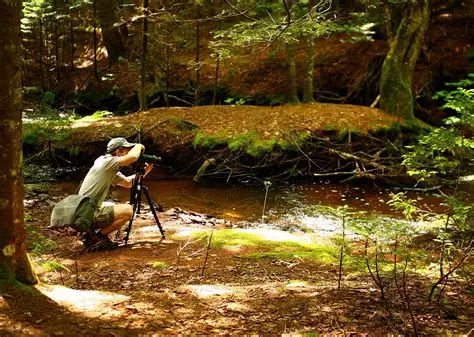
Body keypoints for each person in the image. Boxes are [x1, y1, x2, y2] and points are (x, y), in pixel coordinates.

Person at [78, 137, 153, 250]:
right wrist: (139, 146)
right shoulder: (107, 162)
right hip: (87, 213)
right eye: (127, 150)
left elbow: (128, 183)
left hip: (82, 211)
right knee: (128, 210)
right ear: (118, 152)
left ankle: (90, 232)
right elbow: (132, 157)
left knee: (112, 205)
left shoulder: (105, 164)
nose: (130, 152)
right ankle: (97, 238)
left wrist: (146, 170)